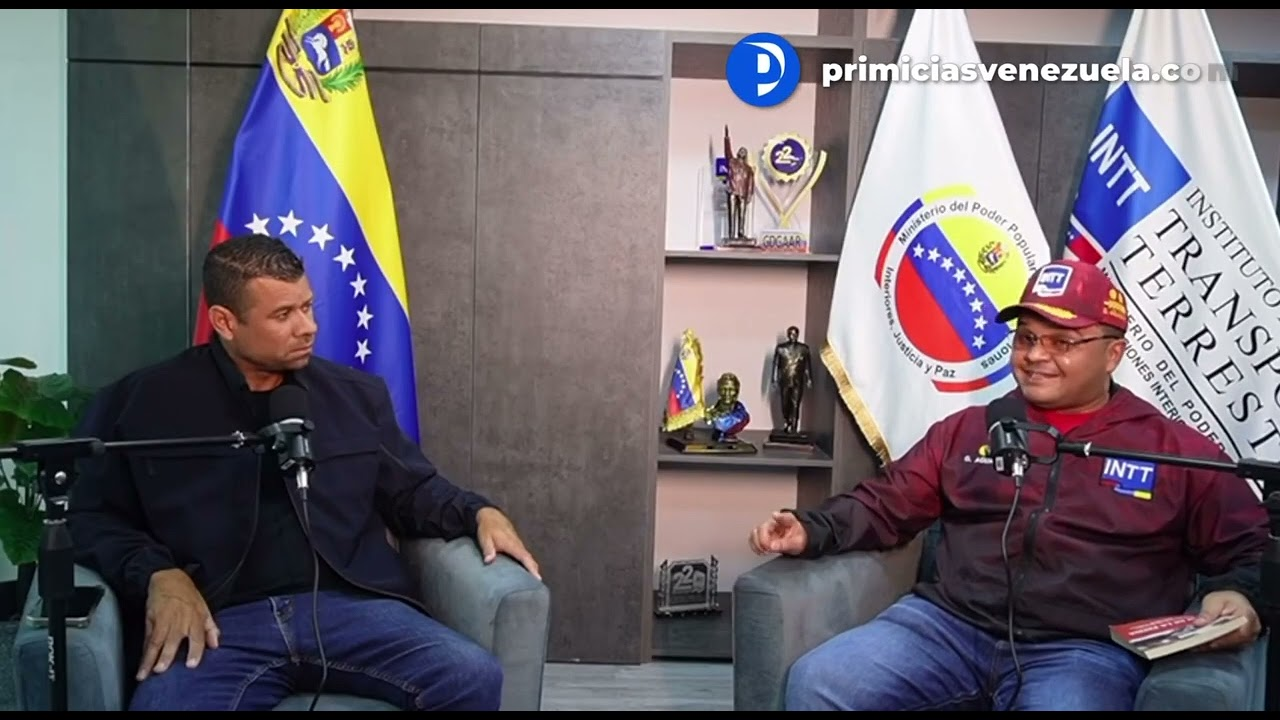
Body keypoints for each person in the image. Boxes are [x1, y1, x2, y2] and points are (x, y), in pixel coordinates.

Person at [747, 258, 1269, 711]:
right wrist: (812, 527)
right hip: (947, 626)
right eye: (1027, 338)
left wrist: (1236, 593)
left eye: (1062, 342)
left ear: (1112, 354)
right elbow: (888, 503)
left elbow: (1251, 548)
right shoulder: (970, 429)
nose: (1036, 355)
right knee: (822, 681)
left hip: (1084, 650)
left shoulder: (1171, 449)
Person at [67, 234, 542, 711]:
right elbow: (92, 517)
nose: (308, 327)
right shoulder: (142, 404)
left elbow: (412, 490)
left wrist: (478, 512)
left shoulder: (354, 395)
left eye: (308, 307)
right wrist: (158, 573)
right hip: (221, 621)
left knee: (470, 675)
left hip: (351, 609)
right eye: (283, 315)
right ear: (225, 322)